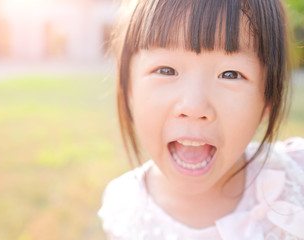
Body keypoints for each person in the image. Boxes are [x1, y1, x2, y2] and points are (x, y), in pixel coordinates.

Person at [98, 0, 304, 239]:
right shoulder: (124, 210)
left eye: (230, 74)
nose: (194, 106)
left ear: (267, 100)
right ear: (128, 88)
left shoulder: (295, 177)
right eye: (166, 70)